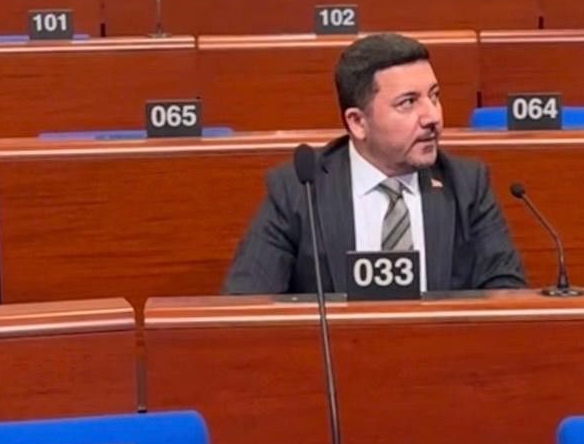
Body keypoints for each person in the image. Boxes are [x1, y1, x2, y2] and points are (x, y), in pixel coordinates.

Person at [223, 32, 526, 295]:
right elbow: (247, 301)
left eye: (434, 96)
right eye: (408, 102)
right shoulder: (297, 189)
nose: (432, 117)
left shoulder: (467, 184)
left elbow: (505, 292)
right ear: (358, 122)